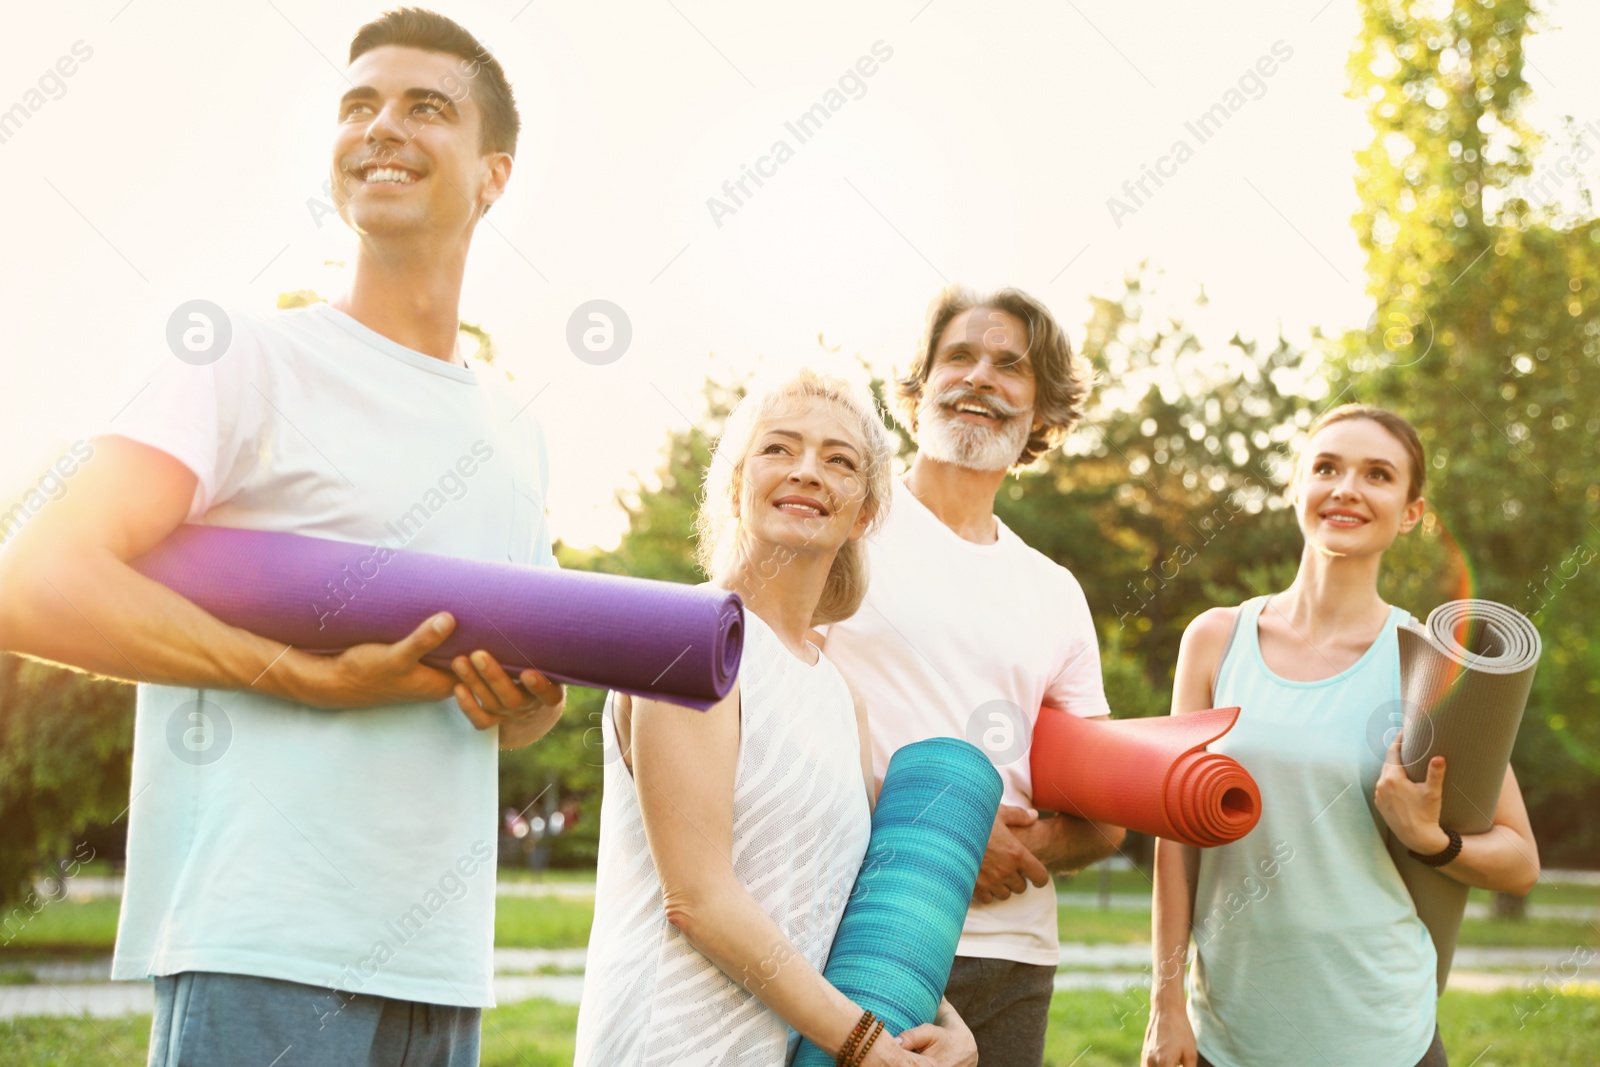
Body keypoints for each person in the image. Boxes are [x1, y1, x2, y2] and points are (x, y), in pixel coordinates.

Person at [0, 9, 561, 1064]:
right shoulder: (243, 359)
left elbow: (514, 711)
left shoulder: (514, 430)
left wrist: (524, 705)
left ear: (494, 176)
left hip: (440, 962)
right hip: (262, 940)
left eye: (424, 107)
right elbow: (31, 579)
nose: (382, 126)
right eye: (360, 105)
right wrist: (295, 673)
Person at [574, 371, 977, 1067]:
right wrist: (862, 1043)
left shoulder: (839, 695)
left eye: (839, 460)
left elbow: (857, 899)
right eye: (779, 448)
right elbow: (698, 897)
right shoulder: (684, 635)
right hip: (667, 1044)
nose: (807, 471)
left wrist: (948, 1020)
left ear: (864, 513)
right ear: (735, 485)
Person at [1140, 404, 1541, 1067]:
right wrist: (1165, 1003)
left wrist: (1431, 841)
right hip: (1226, 1037)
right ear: (1296, 487)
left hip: (1382, 1034)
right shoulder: (1214, 640)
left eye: (1377, 474)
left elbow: (1520, 861)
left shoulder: (1430, 665)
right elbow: (1176, 833)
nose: (1347, 488)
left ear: (1410, 511)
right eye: (1326, 467)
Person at [820, 286, 1129, 1067]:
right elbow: (766, 714)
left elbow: (1106, 815)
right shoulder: (840, 527)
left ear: (1043, 411)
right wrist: (946, 837)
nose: (979, 377)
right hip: (852, 925)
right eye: (958, 356)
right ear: (918, 387)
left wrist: (1034, 847)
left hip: (1011, 954)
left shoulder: (1055, 590)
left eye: (1009, 365)